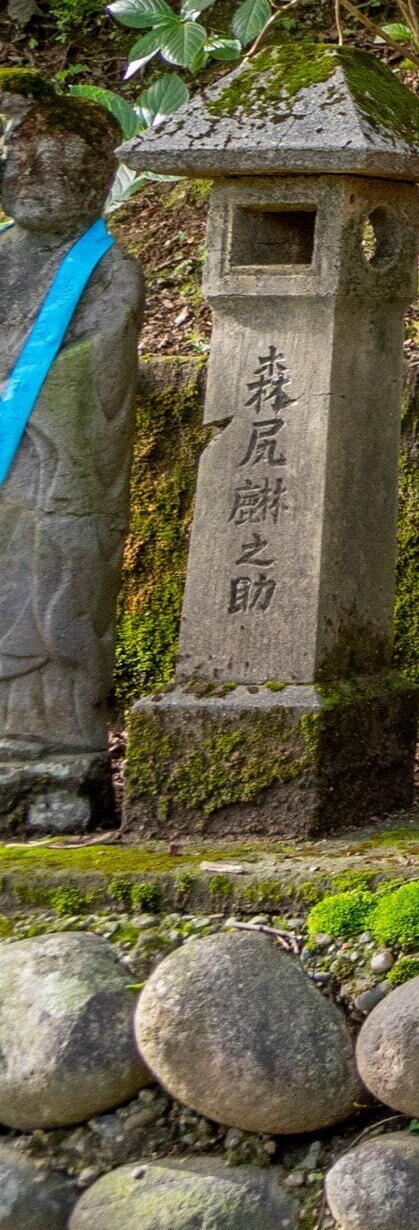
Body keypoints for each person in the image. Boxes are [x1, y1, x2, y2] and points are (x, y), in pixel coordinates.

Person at [0, 73, 139, 802]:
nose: (33, 182)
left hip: (53, 467)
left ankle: (54, 734)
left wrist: (23, 394)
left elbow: (97, 368)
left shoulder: (109, 271)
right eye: (20, 165)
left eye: (55, 167)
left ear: (96, 180)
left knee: (53, 582)